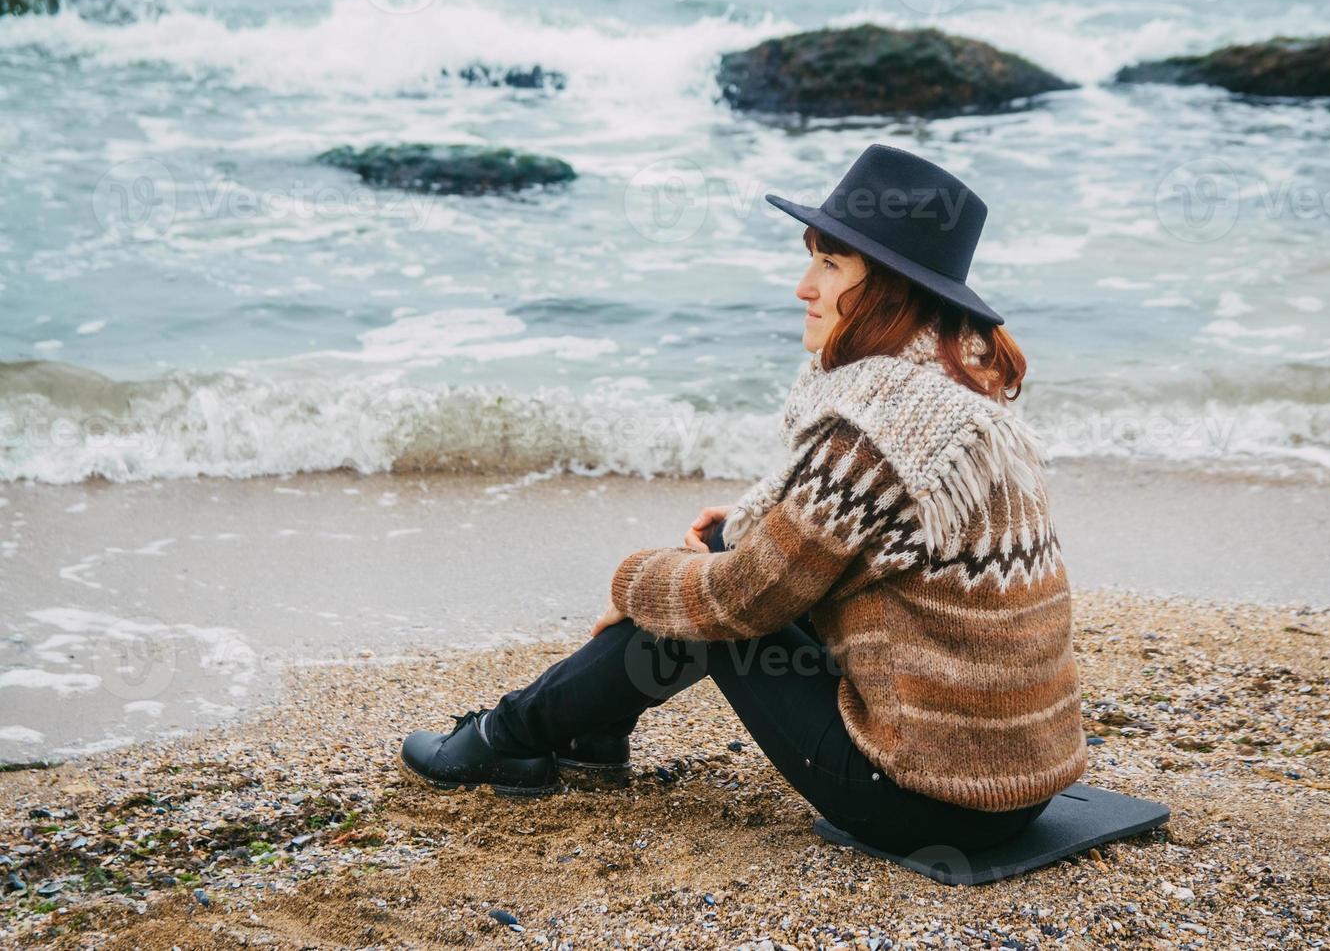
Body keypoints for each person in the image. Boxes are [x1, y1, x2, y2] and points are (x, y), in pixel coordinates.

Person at [400, 143, 1087, 857]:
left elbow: (743, 602)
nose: (803, 287)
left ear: (888, 291)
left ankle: (509, 735)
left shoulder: (880, 432)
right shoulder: (958, 398)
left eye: (829, 265)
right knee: (730, 547)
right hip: (1016, 790)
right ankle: (588, 730)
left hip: (921, 800)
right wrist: (743, 532)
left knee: (715, 603)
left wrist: (637, 581)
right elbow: (861, 547)